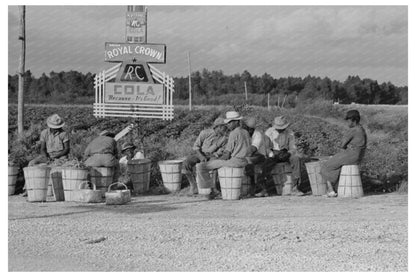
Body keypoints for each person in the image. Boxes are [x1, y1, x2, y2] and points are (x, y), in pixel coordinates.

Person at [197, 111, 251, 199]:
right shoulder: (245, 132)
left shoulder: (233, 134)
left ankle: (210, 190)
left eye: (230, 122)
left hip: (234, 161)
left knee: (201, 166)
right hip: (244, 160)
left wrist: (218, 160)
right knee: (215, 164)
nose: (228, 125)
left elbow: (227, 155)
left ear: (236, 122)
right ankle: (214, 189)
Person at [320, 110, 367, 197]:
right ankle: (336, 187)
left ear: (354, 120)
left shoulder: (353, 130)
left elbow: (342, 144)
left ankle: (330, 190)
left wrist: (344, 147)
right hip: (358, 156)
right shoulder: (361, 129)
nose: (347, 123)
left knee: (326, 165)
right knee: (336, 163)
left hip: (351, 155)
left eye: (348, 121)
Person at [183, 117, 228, 195]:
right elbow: (196, 146)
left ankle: (213, 188)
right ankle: (193, 186)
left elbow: (222, 151)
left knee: (215, 164)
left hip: (212, 156)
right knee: (186, 162)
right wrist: (201, 156)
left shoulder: (224, 138)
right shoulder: (205, 133)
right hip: (201, 154)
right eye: (224, 127)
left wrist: (216, 153)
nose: (226, 129)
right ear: (219, 127)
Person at [260, 115, 303, 196]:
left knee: (296, 159)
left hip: (285, 153)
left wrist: (288, 153)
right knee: (266, 164)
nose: (280, 130)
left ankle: (295, 187)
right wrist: (271, 154)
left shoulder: (290, 133)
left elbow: (293, 147)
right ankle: (264, 189)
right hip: (274, 153)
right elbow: (267, 147)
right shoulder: (268, 132)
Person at [243, 117, 273, 196]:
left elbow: (253, 149)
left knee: (248, 161)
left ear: (252, 129)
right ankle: (252, 188)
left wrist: (241, 153)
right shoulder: (245, 134)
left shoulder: (258, 134)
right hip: (250, 155)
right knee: (247, 162)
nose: (248, 130)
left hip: (260, 156)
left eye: (249, 129)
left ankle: (260, 188)